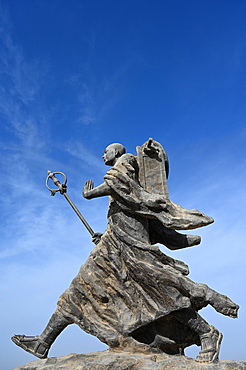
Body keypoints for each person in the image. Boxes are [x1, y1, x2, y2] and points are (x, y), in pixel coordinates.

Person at [12, 142, 239, 363]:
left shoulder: (123, 170)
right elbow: (123, 217)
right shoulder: (123, 183)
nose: (102, 155)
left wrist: (88, 194)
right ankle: (43, 342)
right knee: (79, 288)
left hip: (133, 251)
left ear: (117, 152)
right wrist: (105, 236)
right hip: (111, 248)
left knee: (163, 293)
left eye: (106, 151)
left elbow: (118, 186)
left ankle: (206, 333)